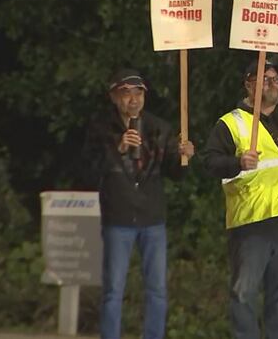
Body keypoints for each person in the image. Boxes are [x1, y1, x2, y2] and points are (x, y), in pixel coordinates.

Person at [200, 59, 278, 339]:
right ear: (248, 84)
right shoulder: (231, 122)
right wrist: (237, 162)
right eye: (264, 78)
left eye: (275, 79)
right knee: (244, 295)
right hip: (251, 223)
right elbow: (209, 162)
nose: (272, 83)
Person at [80, 68, 195, 339]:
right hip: (117, 218)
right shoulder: (100, 129)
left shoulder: (160, 128)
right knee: (113, 290)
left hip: (152, 218)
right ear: (113, 96)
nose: (133, 99)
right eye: (126, 93)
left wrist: (184, 157)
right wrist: (117, 150)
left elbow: (175, 174)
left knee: (156, 289)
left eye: (139, 92)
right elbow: (86, 171)